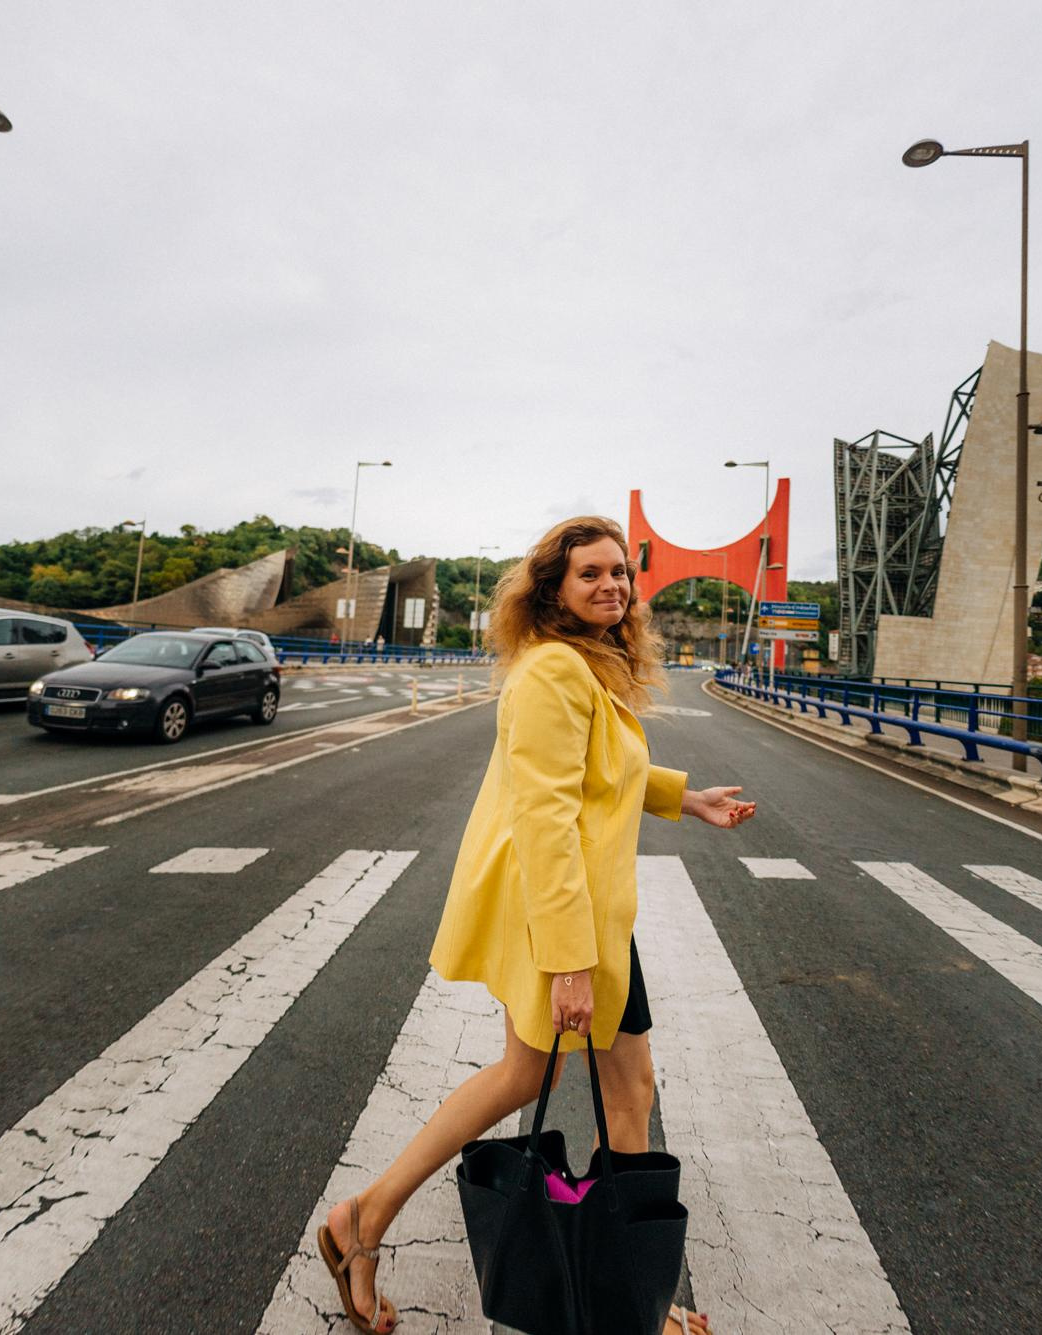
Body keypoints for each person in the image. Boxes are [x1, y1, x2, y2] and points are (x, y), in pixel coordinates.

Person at [317, 515, 755, 1334]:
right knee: (572, 1082)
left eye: (621, 572)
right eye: (590, 573)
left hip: (585, 915)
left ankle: (365, 1222)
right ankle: (625, 1302)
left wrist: (684, 797)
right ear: (552, 587)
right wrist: (570, 963)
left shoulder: (580, 666)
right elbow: (547, 815)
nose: (612, 586)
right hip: (566, 919)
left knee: (599, 1084)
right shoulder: (553, 671)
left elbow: (601, 769)